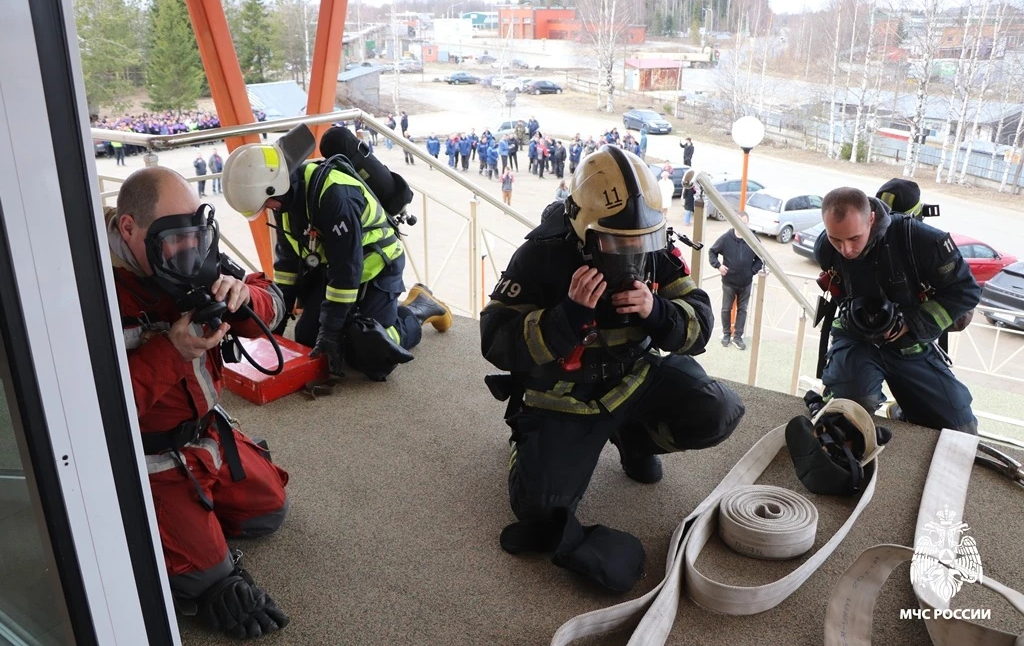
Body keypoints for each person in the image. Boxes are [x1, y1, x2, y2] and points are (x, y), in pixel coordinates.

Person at [480, 145, 744, 592]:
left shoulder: (653, 244)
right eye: (617, 242)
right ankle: (525, 443)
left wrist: (658, 311)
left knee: (718, 411)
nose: (633, 250)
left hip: (635, 378)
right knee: (539, 510)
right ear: (583, 228)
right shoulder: (541, 255)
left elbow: (699, 327)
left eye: (642, 240)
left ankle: (633, 440)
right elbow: (495, 340)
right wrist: (566, 316)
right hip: (566, 398)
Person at [110, 167, 290, 639]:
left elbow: (274, 305)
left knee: (268, 510)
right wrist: (171, 352)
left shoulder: (192, 252)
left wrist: (243, 297)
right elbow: (99, 414)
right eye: (175, 237)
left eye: (196, 232)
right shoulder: (93, 293)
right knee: (208, 581)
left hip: (205, 434)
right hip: (150, 455)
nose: (190, 248)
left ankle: (196, 510)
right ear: (129, 229)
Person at [222, 125, 452, 382]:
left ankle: (420, 307)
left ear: (275, 187)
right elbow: (287, 264)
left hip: (376, 266)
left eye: (266, 202)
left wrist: (330, 330)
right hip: (334, 268)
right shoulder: (284, 200)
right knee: (307, 339)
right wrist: (278, 318)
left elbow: (347, 269)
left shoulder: (334, 195)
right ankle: (354, 319)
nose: (267, 208)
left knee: (371, 352)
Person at [814, 187, 980, 433]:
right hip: (856, 338)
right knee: (847, 415)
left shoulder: (922, 241)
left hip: (910, 342)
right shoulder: (825, 248)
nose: (846, 250)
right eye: (836, 239)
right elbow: (839, 289)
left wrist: (911, 323)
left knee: (962, 430)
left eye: (854, 238)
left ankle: (904, 411)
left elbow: (966, 291)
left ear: (871, 219)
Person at [708, 211, 763, 350]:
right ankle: (726, 334)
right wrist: (718, 266)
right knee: (726, 309)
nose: (741, 225)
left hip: (746, 283)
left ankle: (738, 336)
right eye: (739, 222)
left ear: (747, 224)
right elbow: (712, 252)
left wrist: (751, 271)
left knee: (742, 310)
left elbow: (761, 258)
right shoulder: (726, 238)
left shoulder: (753, 239)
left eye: (744, 223)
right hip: (729, 283)